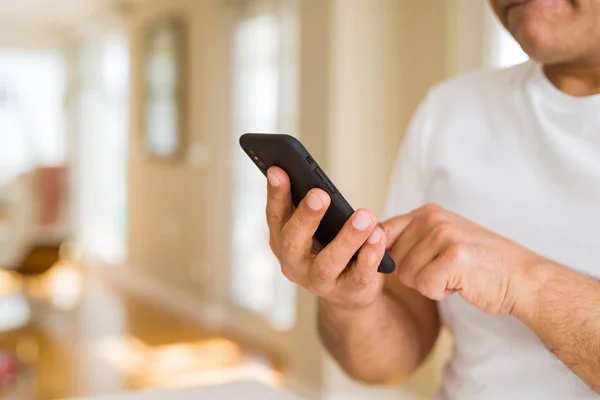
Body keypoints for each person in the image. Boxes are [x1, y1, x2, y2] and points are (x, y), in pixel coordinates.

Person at [264, 0, 600, 399]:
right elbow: (386, 361)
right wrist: (352, 303)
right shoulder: (451, 108)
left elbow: (521, 280)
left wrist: (527, 283)